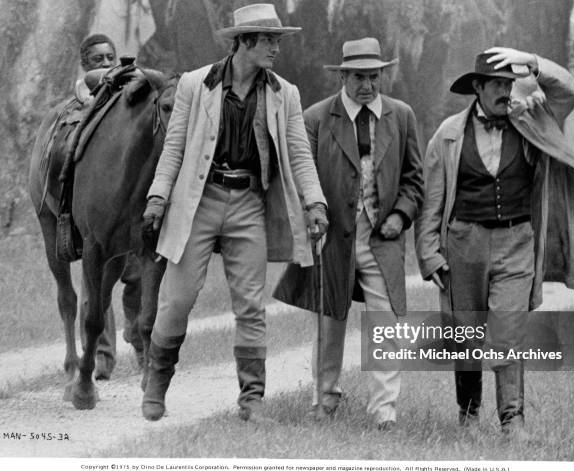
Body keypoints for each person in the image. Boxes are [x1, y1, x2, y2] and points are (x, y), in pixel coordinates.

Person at [141, 4, 329, 422]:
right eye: (269, 40)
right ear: (244, 42)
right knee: (179, 298)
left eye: (277, 40)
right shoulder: (195, 84)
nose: (276, 49)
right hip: (199, 200)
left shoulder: (285, 93)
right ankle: (156, 383)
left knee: (250, 306)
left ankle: (252, 400)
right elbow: (173, 147)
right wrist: (158, 197)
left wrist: (315, 203)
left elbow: (300, 153)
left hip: (249, 203)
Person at [415, 47, 574, 436]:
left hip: (518, 241)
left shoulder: (532, 120)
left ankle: (512, 419)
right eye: (496, 84)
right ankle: (467, 416)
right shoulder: (448, 135)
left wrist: (531, 60)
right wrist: (428, 252)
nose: (505, 91)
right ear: (478, 88)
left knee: (508, 330)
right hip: (463, 243)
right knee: (465, 334)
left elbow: (570, 91)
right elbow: (432, 201)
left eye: (509, 83)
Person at [274, 37, 424, 431]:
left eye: (374, 77)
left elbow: (414, 180)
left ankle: (384, 412)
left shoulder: (402, 116)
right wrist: (312, 214)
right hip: (332, 235)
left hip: (382, 236)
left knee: (386, 323)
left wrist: (401, 215)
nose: (368, 86)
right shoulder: (317, 118)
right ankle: (324, 400)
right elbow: (299, 179)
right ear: (343, 75)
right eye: (359, 77)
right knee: (329, 322)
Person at [76, 34, 145, 378]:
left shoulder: (133, 86)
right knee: (98, 285)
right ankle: (102, 355)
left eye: (110, 57)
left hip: (131, 200)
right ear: (86, 64)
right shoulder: (88, 87)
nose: (105, 62)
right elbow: (95, 81)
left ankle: (139, 338)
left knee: (137, 278)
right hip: (102, 201)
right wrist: (110, 76)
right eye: (97, 58)